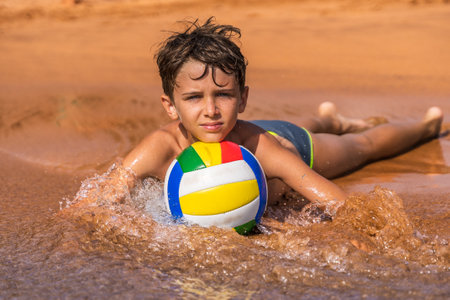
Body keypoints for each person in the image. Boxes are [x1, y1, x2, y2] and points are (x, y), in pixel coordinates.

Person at [79, 18, 443, 214]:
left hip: (288, 143)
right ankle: (329, 117)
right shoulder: (159, 147)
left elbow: (328, 195)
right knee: (317, 123)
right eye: (193, 98)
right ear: (170, 106)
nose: (210, 110)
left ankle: (426, 125)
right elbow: (99, 200)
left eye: (223, 94)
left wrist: (362, 230)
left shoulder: (260, 144)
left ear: (243, 97)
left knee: (361, 144)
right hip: (258, 133)